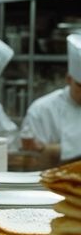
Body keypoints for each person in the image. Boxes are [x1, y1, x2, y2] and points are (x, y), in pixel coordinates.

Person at [20, 33, 81, 166]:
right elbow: (33, 160)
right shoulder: (42, 110)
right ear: (69, 79)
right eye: (80, 86)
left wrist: (50, 149)